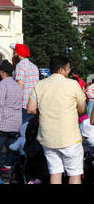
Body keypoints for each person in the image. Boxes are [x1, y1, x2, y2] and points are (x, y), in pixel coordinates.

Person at [27, 55, 87, 184]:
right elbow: (82, 109)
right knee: (74, 174)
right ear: (61, 70)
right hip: (70, 137)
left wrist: (43, 112)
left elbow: (30, 109)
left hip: (47, 137)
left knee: (54, 172)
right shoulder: (73, 84)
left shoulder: (40, 85)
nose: (69, 71)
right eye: (68, 68)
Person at [0, 60, 23, 185]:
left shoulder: (2, 85)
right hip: (16, 124)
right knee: (13, 151)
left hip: (3, 124)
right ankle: (17, 176)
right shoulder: (17, 86)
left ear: (2, 72)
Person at [13, 43, 39, 123]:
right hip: (33, 104)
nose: (14, 54)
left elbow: (19, 86)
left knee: (22, 132)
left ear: (19, 54)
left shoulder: (20, 66)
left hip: (23, 105)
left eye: (15, 52)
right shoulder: (34, 66)